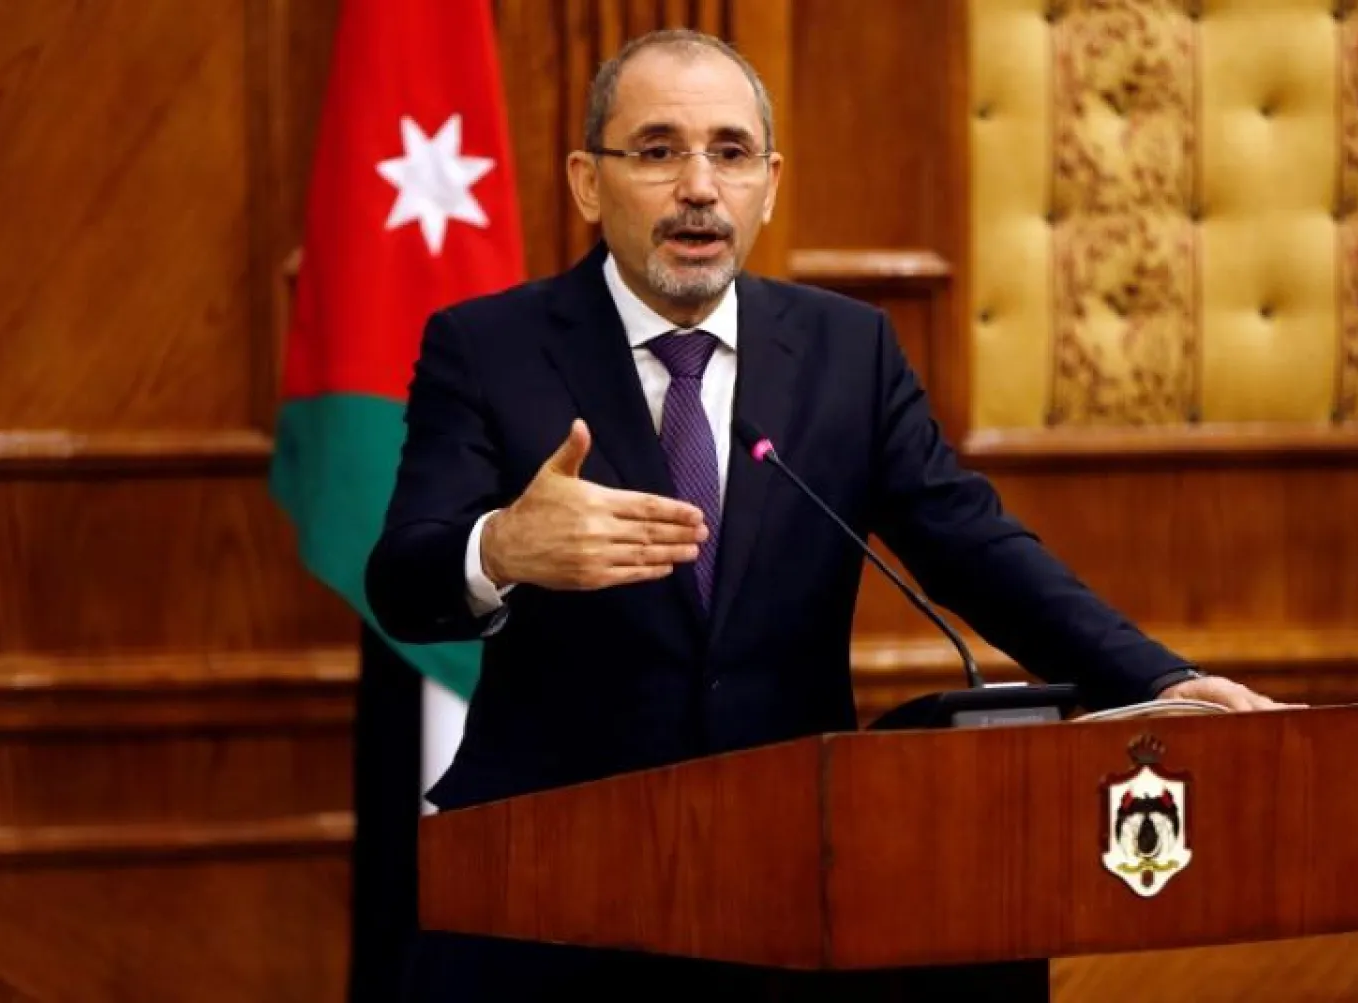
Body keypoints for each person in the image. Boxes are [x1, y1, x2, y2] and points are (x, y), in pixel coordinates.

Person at [365, 27, 1286, 1002]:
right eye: (658, 149)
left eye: (730, 151)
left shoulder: (849, 349)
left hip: (794, 877)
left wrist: (1159, 680)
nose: (698, 186)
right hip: (552, 882)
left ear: (768, 179)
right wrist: (501, 546)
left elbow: (972, 546)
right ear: (589, 182)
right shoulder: (488, 346)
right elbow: (404, 580)